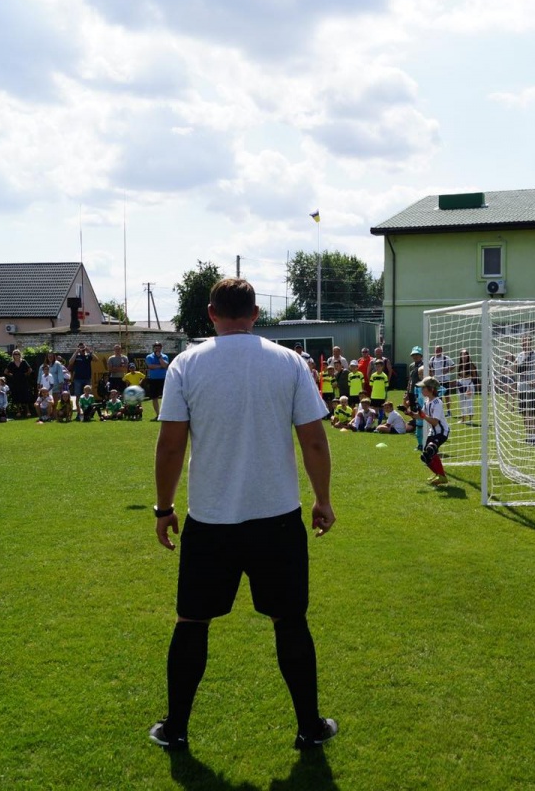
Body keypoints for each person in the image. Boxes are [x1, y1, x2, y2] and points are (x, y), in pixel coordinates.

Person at [149, 277, 336, 753]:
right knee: (289, 620)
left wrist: (164, 508)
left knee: (192, 621)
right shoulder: (289, 362)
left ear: (211, 313)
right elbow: (313, 439)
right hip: (276, 516)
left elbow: (171, 444)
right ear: (255, 313)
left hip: (211, 519)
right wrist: (323, 499)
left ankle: (176, 729)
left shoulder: (186, 364)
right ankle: (309, 727)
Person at [417, 376, 450, 486]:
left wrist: (423, 416)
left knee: (430, 450)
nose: (421, 390)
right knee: (425, 457)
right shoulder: (427, 401)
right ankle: (439, 474)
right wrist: (408, 412)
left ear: (431, 389)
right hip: (433, 432)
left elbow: (435, 422)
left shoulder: (437, 403)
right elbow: (420, 415)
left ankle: (442, 477)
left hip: (442, 432)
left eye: (424, 388)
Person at [511, 337, 535, 445]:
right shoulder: (520, 355)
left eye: (526, 343)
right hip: (521, 389)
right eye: (523, 343)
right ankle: (529, 436)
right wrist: (510, 364)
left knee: (531, 413)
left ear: (531, 343)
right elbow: (513, 369)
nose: (524, 345)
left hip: (531, 389)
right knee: (524, 413)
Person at [144, 342, 169, 420]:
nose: (157, 349)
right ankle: (158, 415)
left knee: (165, 397)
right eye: (156, 348)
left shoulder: (165, 356)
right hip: (153, 380)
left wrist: (159, 358)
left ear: (161, 348)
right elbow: (150, 366)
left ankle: (164, 415)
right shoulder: (149, 357)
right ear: (153, 348)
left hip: (163, 379)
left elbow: (165, 365)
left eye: (159, 348)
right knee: (154, 398)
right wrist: (160, 366)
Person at [427, 346, 455, 416]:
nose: (437, 351)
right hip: (436, 381)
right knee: (438, 397)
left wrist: (447, 369)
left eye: (439, 350)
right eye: (436, 350)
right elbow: (429, 367)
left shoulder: (446, 358)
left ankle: (448, 411)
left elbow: (453, 365)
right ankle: (440, 411)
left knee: (447, 396)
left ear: (441, 351)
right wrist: (431, 374)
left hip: (445, 380)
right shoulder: (432, 359)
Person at [4, 349, 33, 418]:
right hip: (15, 382)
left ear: (20, 355)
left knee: (25, 395)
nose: (16, 355)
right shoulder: (11, 363)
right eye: (15, 354)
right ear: (13, 355)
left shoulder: (24, 362)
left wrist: (26, 374)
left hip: (23, 381)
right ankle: (18, 411)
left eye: (18, 354)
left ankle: (28, 411)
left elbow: (30, 370)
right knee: (16, 396)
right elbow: (5, 371)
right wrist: (11, 375)